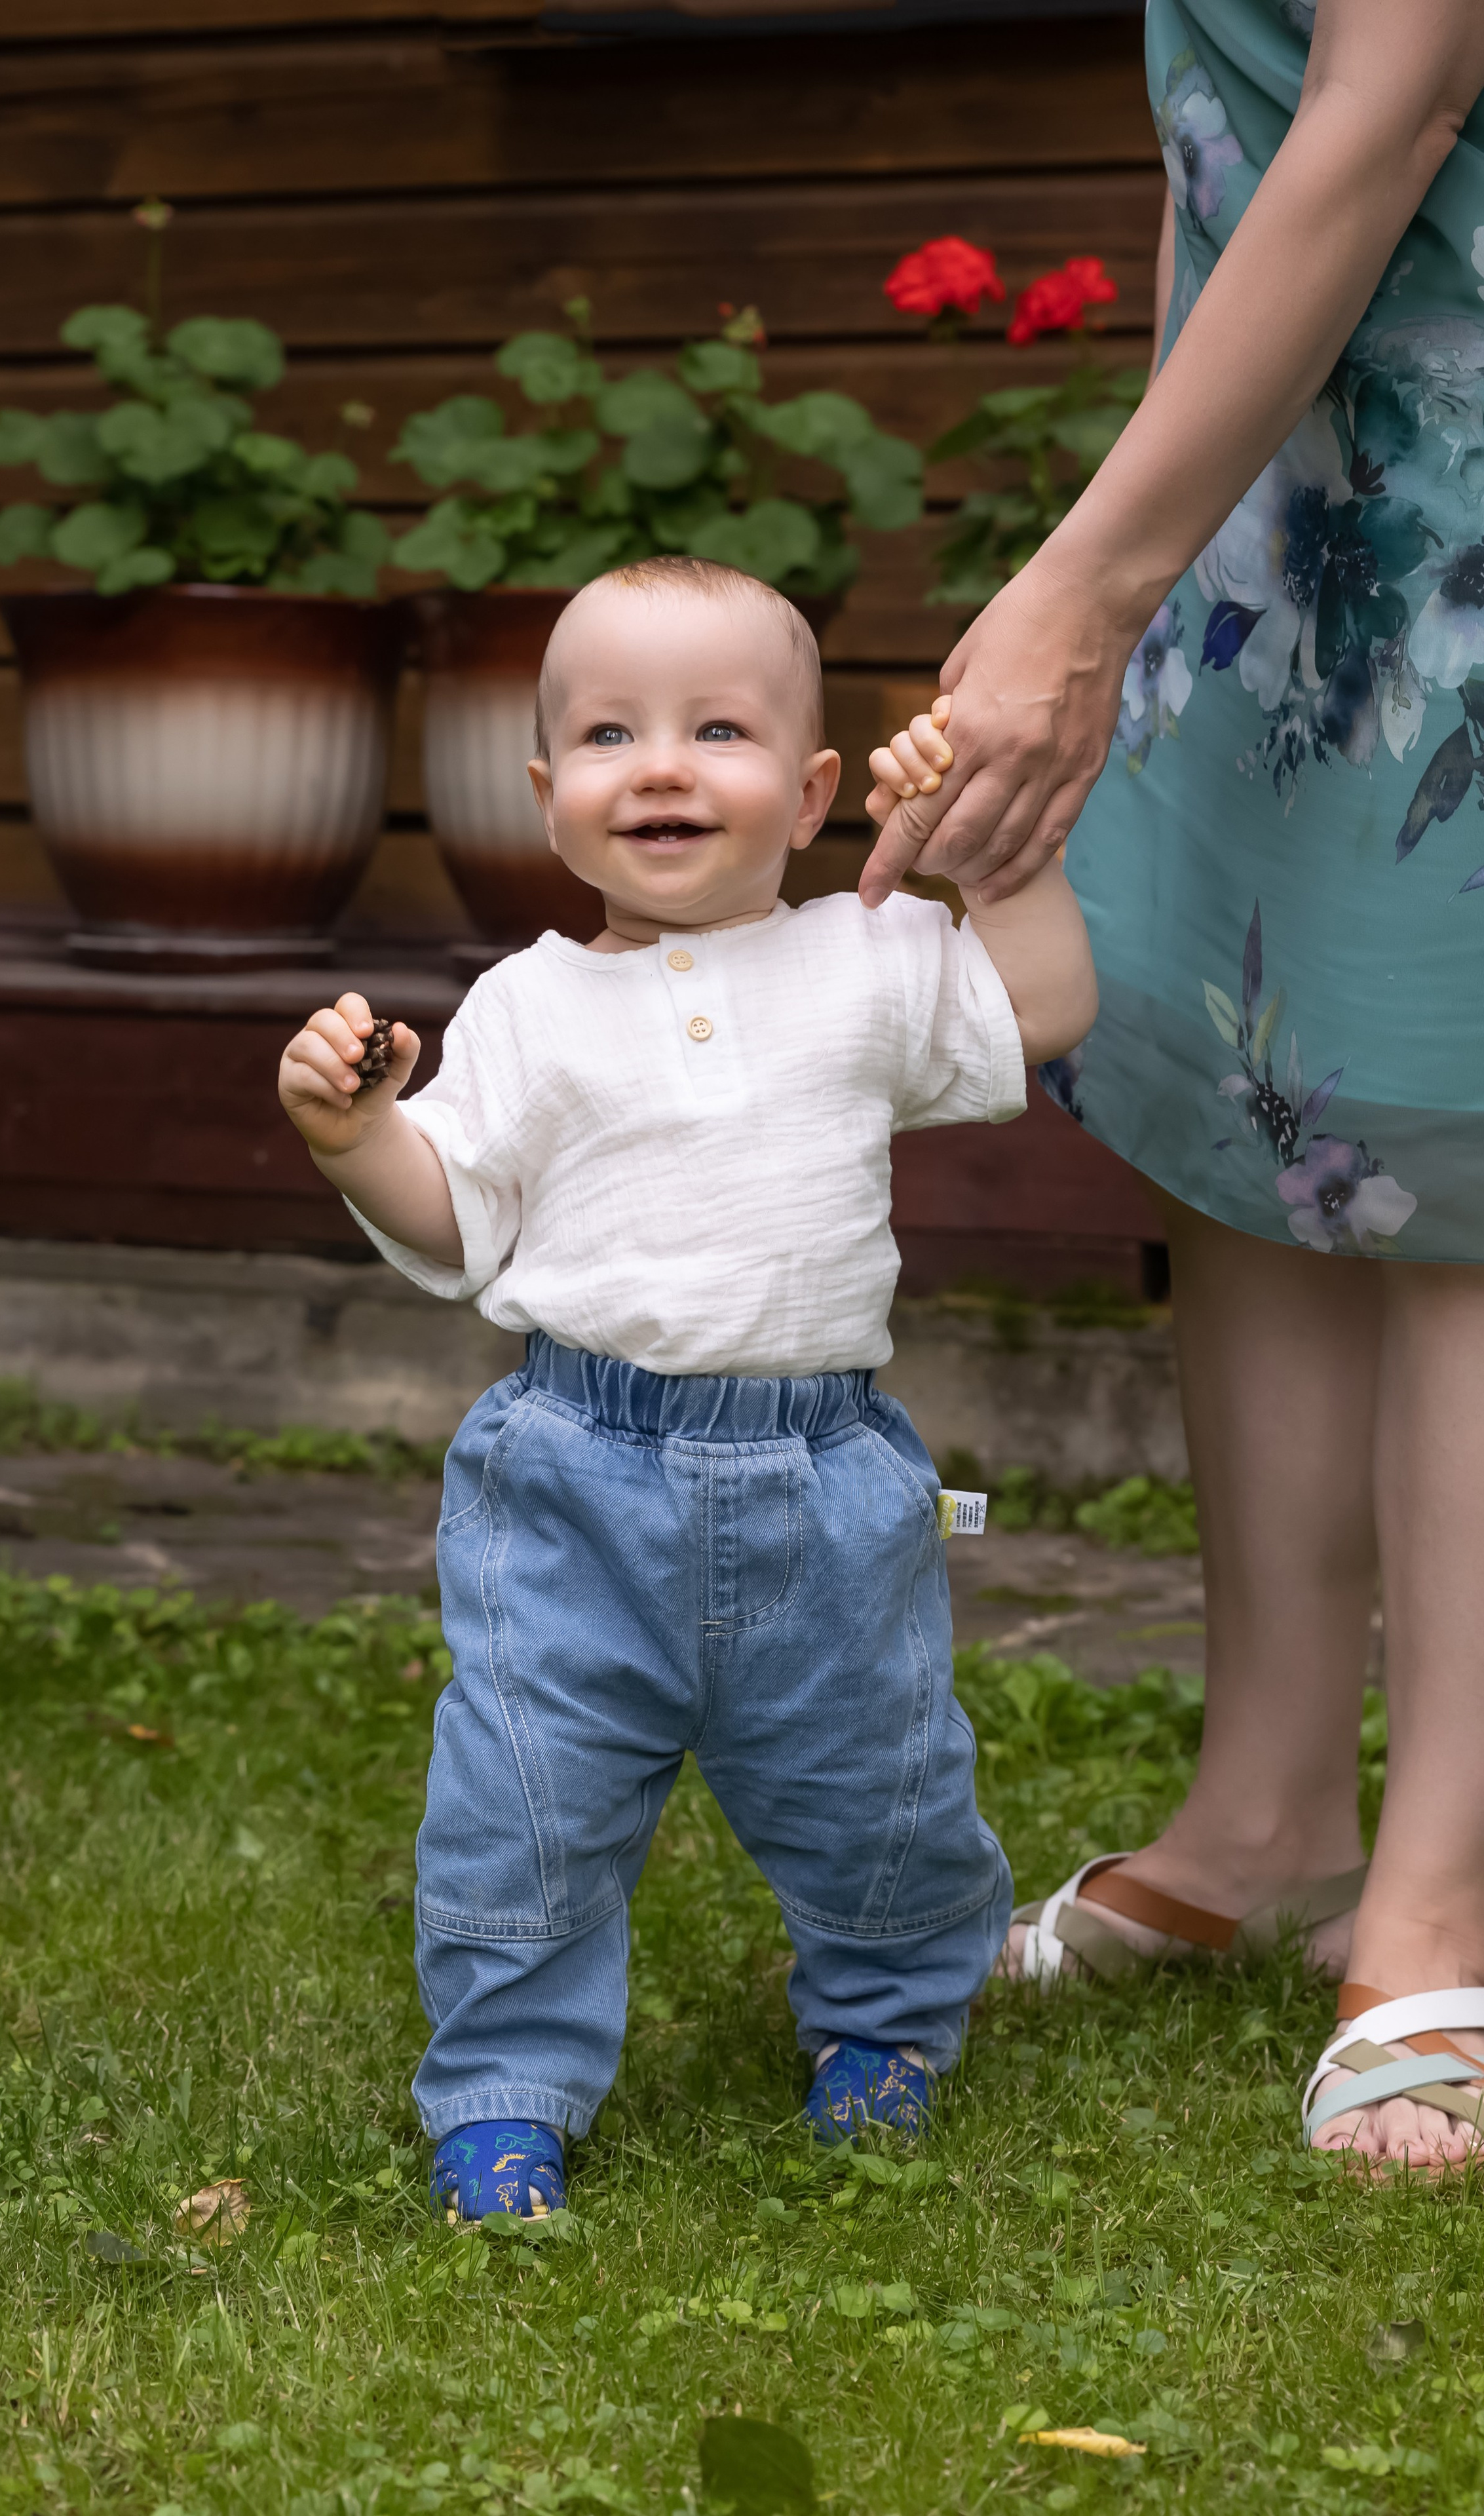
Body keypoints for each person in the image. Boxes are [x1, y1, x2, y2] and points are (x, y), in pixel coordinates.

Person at [276, 554, 1097, 2219]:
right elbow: (457, 1213)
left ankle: (882, 2024)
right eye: (606, 733)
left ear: (808, 796)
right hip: (576, 1475)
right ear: (545, 794)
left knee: (879, 1786)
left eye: (714, 730)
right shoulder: (524, 1006)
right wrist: (358, 1139)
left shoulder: (868, 955)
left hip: (826, 1481)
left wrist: (998, 860)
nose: (657, 765)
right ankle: (504, 2093)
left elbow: (1044, 1010)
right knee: (523, 1802)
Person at [860, 0, 1484, 2171]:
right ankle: (1275, 1810)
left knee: (1460, 1129)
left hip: (1469, 470)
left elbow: (1392, 98)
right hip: (1266, 485)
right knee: (1250, 1094)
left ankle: (1444, 1891)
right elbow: (1217, 135)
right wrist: (1167, 522)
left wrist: (1079, 584)